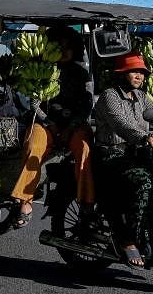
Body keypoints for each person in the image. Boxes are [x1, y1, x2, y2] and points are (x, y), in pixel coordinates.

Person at [94, 51, 153, 269]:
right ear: (121, 74)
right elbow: (121, 124)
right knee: (144, 182)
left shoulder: (140, 97)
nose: (139, 76)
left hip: (137, 152)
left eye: (142, 72)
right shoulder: (110, 96)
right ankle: (131, 239)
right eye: (134, 72)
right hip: (111, 154)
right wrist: (144, 137)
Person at [10, 26, 95, 228]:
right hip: (46, 123)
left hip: (73, 125)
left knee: (85, 149)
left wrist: (70, 126)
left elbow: (86, 105)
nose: (63, 51)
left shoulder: (81, 74)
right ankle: (25, 201)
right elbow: (33, 104)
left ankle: (86, 201)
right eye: (59, 46)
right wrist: (51, 124)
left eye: (68, 47)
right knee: (33, 147)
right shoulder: (41, 70)